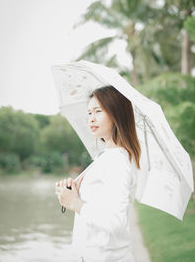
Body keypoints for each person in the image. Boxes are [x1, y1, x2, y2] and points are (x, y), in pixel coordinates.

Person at [55, 85, 141, 262]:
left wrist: (76, 203)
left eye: (98, 111)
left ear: (116, 113)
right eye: (89, 113)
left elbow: (115, 222)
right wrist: (76, 192)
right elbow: (102, 204)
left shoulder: (116, 161)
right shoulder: (106, 156)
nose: (91, 119)